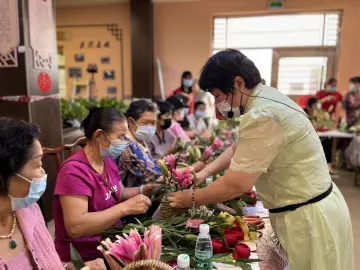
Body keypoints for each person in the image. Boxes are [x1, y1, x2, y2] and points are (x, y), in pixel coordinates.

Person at [168, 50, 353, 270]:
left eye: (217, 96)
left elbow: (236, 184)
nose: (217, 104)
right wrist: (204, 173)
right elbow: (239, 147)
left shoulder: (262, 114)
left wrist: (189, 198)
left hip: (309, 217)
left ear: (238, 82)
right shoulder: (267, 97)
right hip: (314, 206)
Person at [53, 107, 156, 263]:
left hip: (112, 244)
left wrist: (144, 189)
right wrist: (125, 208)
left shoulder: (107, 160)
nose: (123, 143)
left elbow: (119, 193)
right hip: (87, 258)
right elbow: (76, 227)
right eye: (120, 137)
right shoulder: (74, 172)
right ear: (100, 135)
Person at [0, 118, 105, 270]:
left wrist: (72, 267)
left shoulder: (28, 211)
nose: (43, 172)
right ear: (6, 175)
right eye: (38, 165)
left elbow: (47, 263)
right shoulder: (75, 170)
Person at [118, 100, 162, 188]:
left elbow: (152, 164)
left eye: (153, 123)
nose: (150, 127)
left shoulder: (142, 141)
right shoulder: (126, 147)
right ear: (130, 121)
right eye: (145, 123)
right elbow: (149, 177)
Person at [304, 97, 335, 174]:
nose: (319, 105)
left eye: (319, 103)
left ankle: (328, 166)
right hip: (309, 136)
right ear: (311, 106)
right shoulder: (305, 113)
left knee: (327, 141)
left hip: (322, 136)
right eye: (316, 104)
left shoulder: (324, 113)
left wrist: (322, 125)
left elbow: (331, 125)